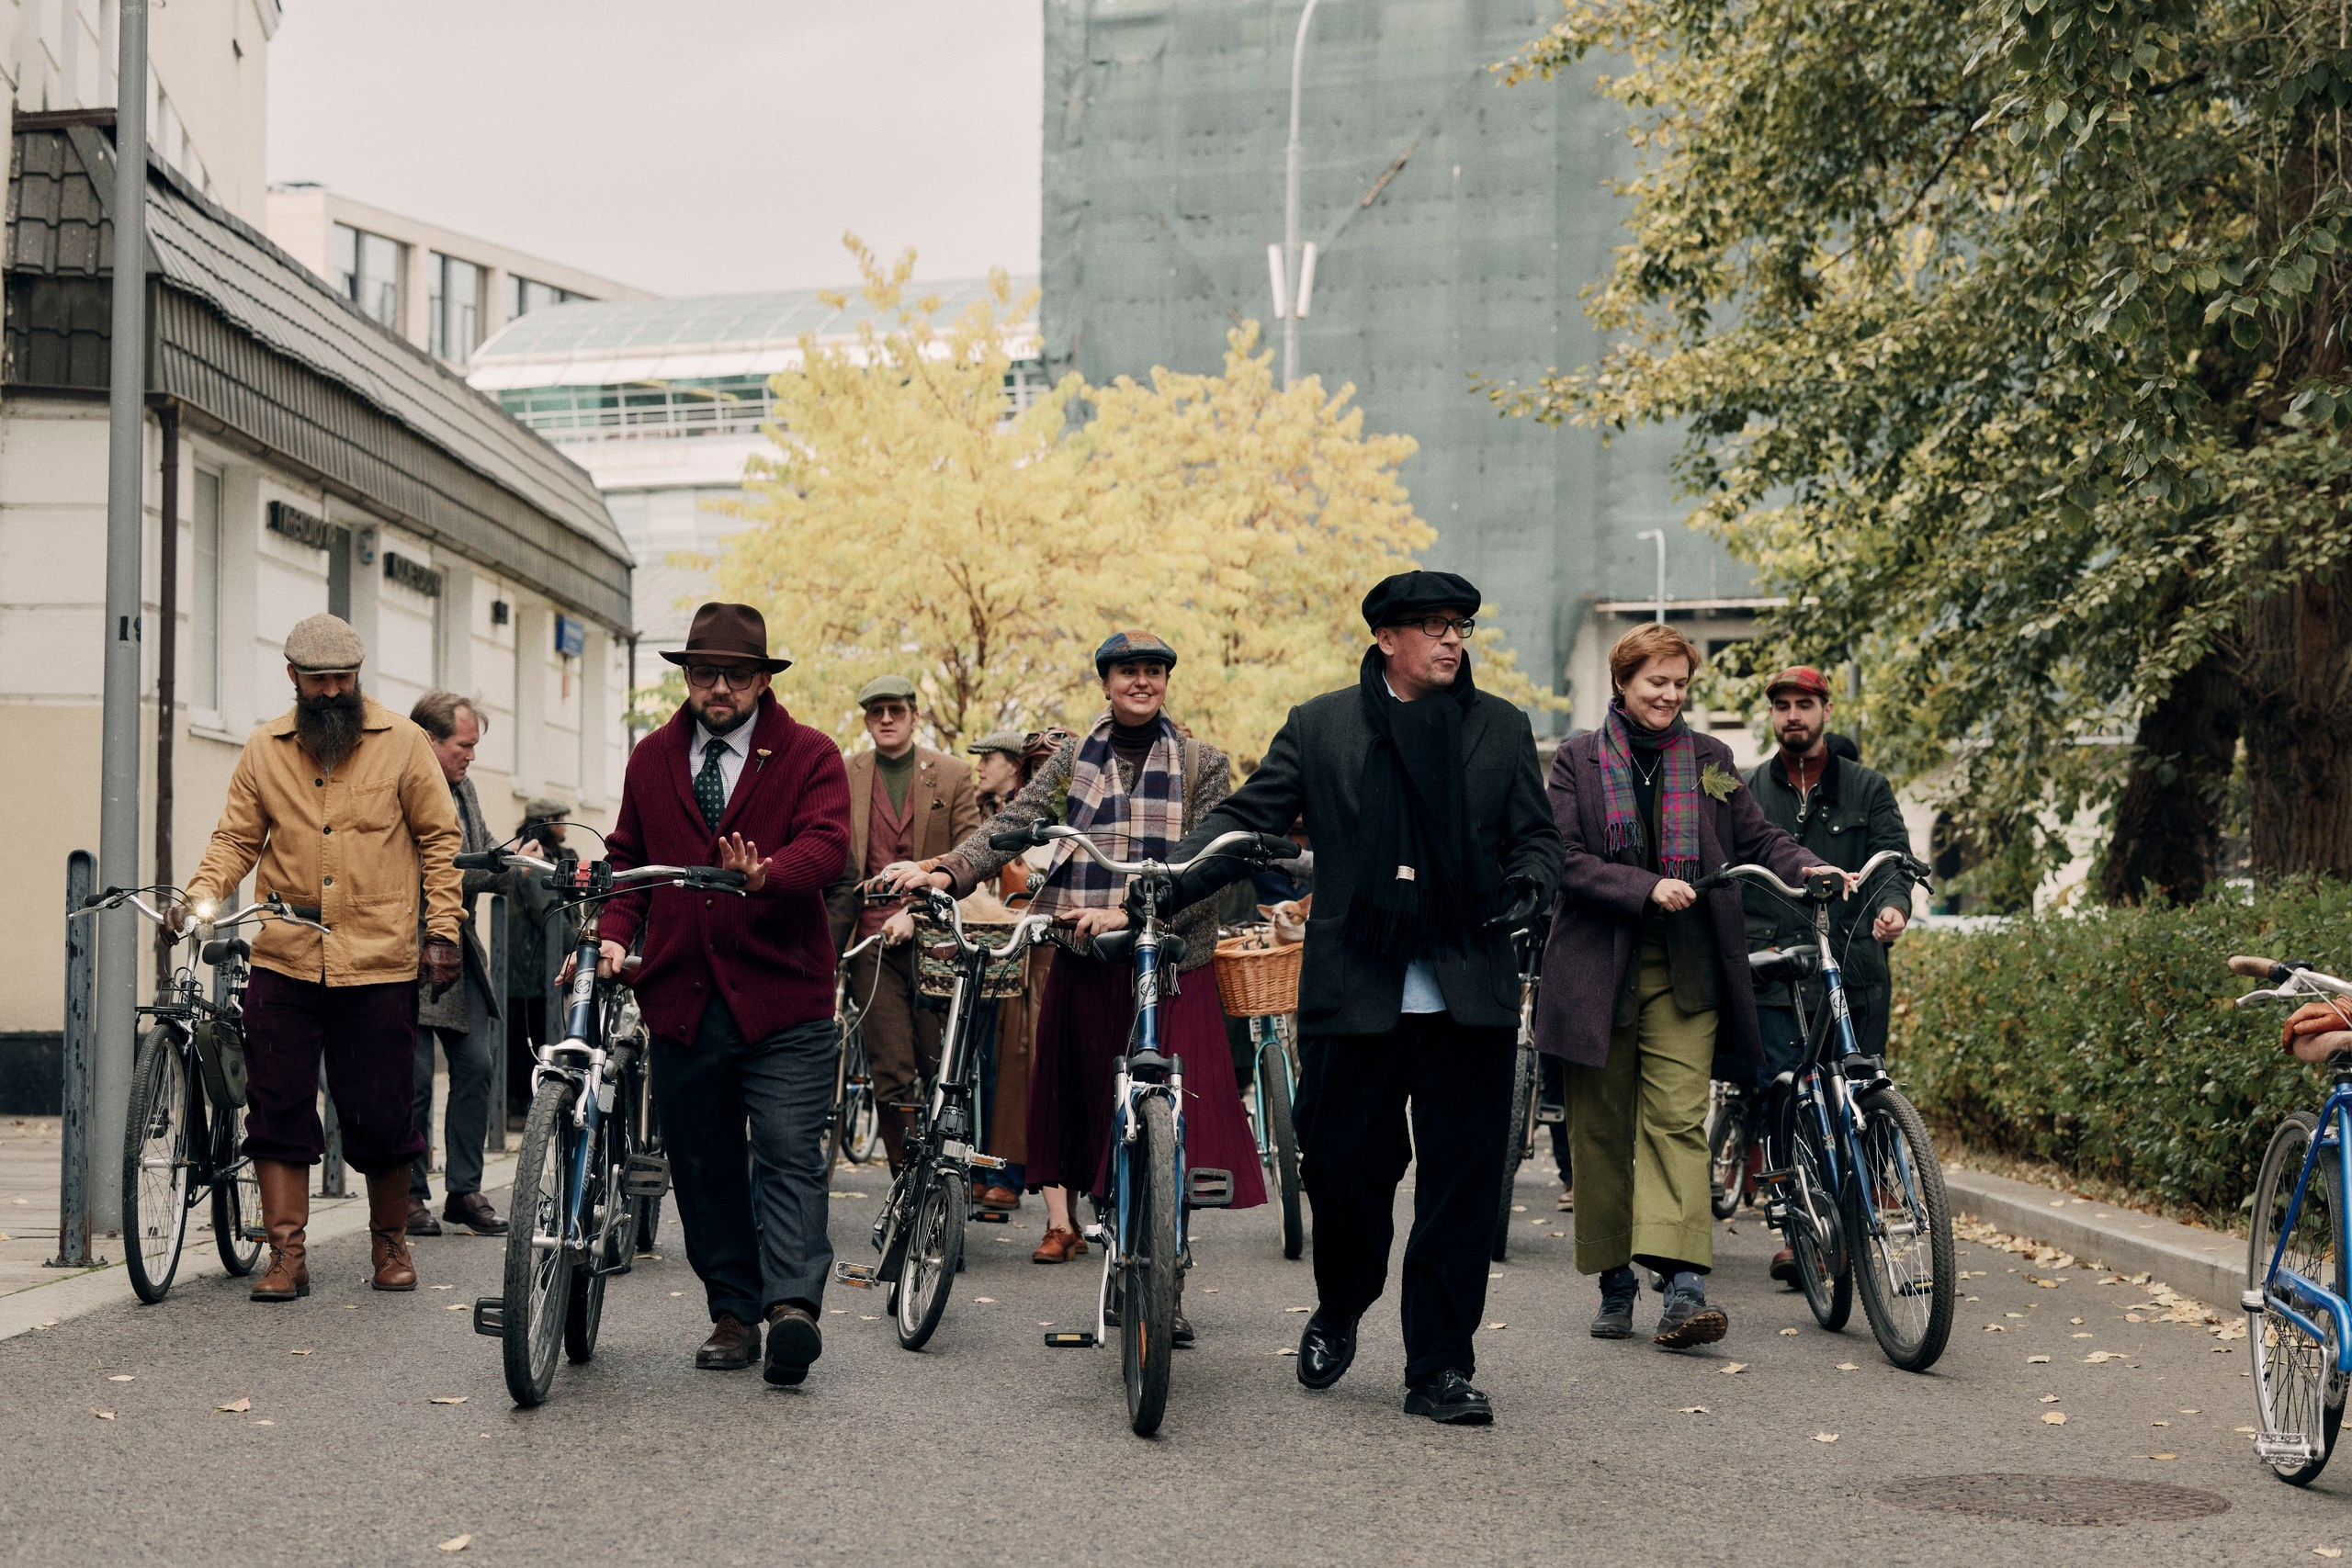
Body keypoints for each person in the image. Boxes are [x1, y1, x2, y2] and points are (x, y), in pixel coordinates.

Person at [1163, 571, 1559, 1427]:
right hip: (1357, 988)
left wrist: (1533, 878)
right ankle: (1342, 1301)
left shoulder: (1500, 726)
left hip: (1469, 988)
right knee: (1341, 1172)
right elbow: (1248, 817)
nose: (1451, 639)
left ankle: (1440, 1366)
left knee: (1461, 1189)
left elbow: (1534, 835)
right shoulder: (1322, 725)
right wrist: (1173, 876)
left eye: (1459, 625)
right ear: (1387, 638)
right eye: (1432, 625)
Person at [888, 633, 1265, 1336]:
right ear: (1106, 682)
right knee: (1098, 1117)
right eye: (1128, 671)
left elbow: (1214, 862)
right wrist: (946, 869)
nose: (1142, 681)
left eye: (1153, 671)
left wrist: (1141, 911)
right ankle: (1122, 1254)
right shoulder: (1072, 759)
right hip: (1087, 955)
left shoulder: (1202, 762)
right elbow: (1013, 823)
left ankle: (1167, 1277)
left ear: (1166, 681)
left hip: (1171, 962)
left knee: (1171, 1124)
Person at [1537, 625, 1831, 1350]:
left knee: (1675, 1119)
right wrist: (1644, 885)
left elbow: (1755, 836)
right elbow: (1563, 858)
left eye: (1679, 684)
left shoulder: (1709, 760)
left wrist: (1809, 866)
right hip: (1596, 968)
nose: (1669, 695)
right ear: (1622, 682)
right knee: (1601, 1129)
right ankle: (1614, 1278)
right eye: (1656, 682)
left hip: (1687, 968)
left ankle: (1683, 1284)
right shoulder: (1576, 760)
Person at [586, 603, 852, 1386]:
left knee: (788, 1153)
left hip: (785, 1000)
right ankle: (734, 1312)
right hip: (683, 1000)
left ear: (763, 680)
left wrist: (769, 875)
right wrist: (612, 933)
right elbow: (628, 859)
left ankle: (792, 1307)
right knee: (704, 1167)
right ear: (689, 678)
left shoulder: (809, 753)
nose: (720, 688)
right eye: (706, 673)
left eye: (737, 674)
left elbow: (828, 845)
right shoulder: (652, 758)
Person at [178, 614, 462, 1301]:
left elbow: (439, 840)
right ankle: (286, 1255)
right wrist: (198, 897)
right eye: (319, 680)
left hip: (378, 958)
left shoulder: (404, 744)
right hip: (285, 955)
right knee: (275, 1105)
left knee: (381, 1110)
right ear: (293, 677)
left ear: (359, 675)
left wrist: (444, 930)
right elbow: (235, 840)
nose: (333, 691)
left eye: (343, 678)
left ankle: (389, 1242)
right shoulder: (264, 749)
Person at [1739, 666, 1912, 1285]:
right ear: (1772, 714)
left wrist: (1894, 908)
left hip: (1852, 969)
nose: (1793, 714)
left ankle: (1861, 1217)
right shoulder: (1746, 788)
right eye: (1782, 704)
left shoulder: (1868, 786)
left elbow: (1895, 860)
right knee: (1787, 1096)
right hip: (1776, 973)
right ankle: (1801, 1231)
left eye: (1804, 704)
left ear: (1825, 711)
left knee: (1858, 1094)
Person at [823, 676, 981, 1173]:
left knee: (941, 1065)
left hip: (938, 938)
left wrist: (917, 911)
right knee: (889, 1069)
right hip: (869, 940)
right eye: (877, 712)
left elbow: (970, 857)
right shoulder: (844, 773)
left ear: (915, 715)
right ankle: (904, 1180)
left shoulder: (953, 774)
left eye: (895, 710)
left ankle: (945, 1172)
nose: (886, 719)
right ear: (867, 720)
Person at [404, 692, 538, 1238]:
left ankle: (464, 1190)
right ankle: (409, 1195)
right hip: (409, 949)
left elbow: (479, 851)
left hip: (457, 948)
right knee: (414, 1078)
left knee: (478, 1066)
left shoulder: (464, 786)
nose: (472, 756)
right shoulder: (402, 786)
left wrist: (514, 860)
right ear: (428, 740)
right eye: (463, 745)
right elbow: (436, 868)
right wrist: (502, 867)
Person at [503, 799, 576, 1119]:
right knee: (530, 1040)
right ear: (544, 822)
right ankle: (525, 1108)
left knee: (528, 1037)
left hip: (534, 964)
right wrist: (580, 944)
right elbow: (546, 909)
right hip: (531, 965)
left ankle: (524, 1106)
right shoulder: (532, 854)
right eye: (559, 819)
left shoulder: (554, 854)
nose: (564, 825)